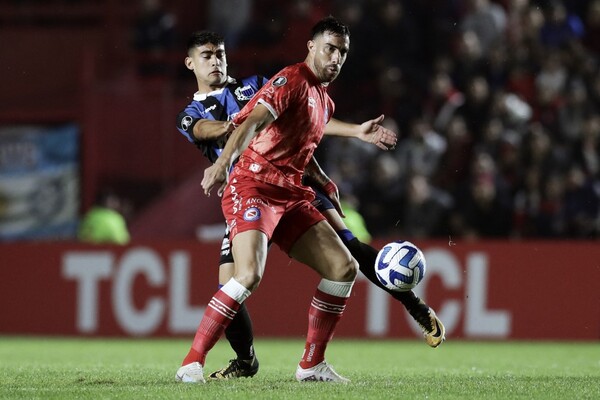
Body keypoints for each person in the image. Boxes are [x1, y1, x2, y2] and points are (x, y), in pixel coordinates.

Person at [175, 23, 444, 384]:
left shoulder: (259, 86)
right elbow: (216, 128)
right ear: (190, 63)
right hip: (251, 183)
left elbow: (305, 121)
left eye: (220, 54)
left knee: (346, 257)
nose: (215, 62)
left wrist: (332, 161)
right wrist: (227, 148)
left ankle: (322, 358)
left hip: (294, 182)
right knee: (237, 280)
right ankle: (223, 361)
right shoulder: (197, 111)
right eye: (206, 56)